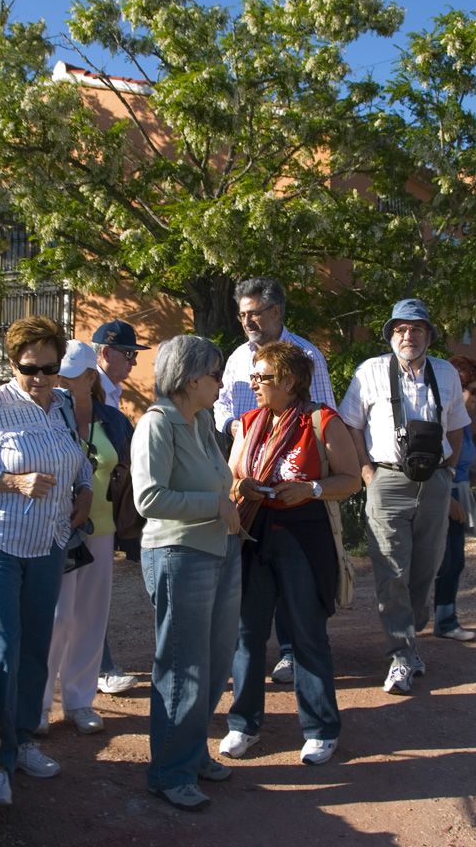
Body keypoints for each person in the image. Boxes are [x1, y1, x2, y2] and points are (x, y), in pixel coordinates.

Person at [0, 316, 94, 808]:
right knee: (0, 650)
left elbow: (76, 457)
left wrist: (85, 490)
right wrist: (12, 482)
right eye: (30, 369)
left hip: (49, 541)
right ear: (12, 365)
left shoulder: (63, 403)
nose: (40, 378)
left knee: (34, 647)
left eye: (49, 368)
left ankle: (23, 738)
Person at [220, 342, 360, 767]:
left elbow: (350, 479)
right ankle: (243, 725)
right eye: (253, 376)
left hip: (304, 536)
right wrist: (241, 487)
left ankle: (320, 730)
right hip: (255, 534)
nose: (253, 384)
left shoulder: (322, 421)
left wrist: (311, 489)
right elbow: (231, 476)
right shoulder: (249, 422)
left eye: (262, 377)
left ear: (289, 380)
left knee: (306, 634)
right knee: (246, 634)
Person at [337, 299, 471, 695]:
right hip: (388, 479)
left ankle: (410, 631)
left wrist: (449, 473)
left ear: (429, 335)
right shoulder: (370, 371)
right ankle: (401, 653)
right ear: (390, 335)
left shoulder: (445, 373)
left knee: (426, 569)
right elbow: (350, 425)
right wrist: (366, 473)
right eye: (400, 329)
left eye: (415, 329)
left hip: (435, 482)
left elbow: (457, 428)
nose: (407, 335)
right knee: (392, 570)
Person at [131, 334, 242, 812]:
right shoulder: (157, 424)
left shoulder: (201, 423)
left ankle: (191, 754)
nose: (221, 384)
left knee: (214, 663)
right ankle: (169, 773)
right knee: (183, 666)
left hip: (219, 551)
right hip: (179, 555)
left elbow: (215, 481)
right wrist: (215, 505)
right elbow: (148, 498)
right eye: (216, 374)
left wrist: (232, 498)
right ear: (191, 378)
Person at [213, 277, 336, 685]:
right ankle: (249, 664)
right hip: (248, 478)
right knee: (253, 575)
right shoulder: (237, 358)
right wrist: (236, 428)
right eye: (242, 314)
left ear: (277, 311)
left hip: (294, 483)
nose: (247, 321)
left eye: (254, 313)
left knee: (295, 576)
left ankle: (290, 651)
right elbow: (223, 405)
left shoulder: (307, 355)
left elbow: (323, 412)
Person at [39, 340, 136, 736]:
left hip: (102, 530)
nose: (59, 383)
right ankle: (39, 704)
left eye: (69, 377)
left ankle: (79, 702)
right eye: (58, 376)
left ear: (90, 378)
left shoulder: (113, 420)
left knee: (91, 617)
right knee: (57, 617)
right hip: (57, 529)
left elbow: (127, 470)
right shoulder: (45, 417)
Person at [92, 318, 150, 695]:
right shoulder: (92, 391)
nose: (133, 362)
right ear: (105, 352)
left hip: (105, 507)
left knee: (92, 592)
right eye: (128, 354)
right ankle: (100, 668)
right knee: (86, 593)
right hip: (86, 507)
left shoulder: (111, 392)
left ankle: (96, 665)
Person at [435, 355, 476, 642]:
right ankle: (439, 622)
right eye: (475, 391)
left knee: (452, 562)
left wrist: (474, 475)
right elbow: (437, 465)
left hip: (457, 492)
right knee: (444, 562)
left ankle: (444, 620)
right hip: (444, 496)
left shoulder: (462, 422)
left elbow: (459, 461)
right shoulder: (443, 422)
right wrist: (447, 498)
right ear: (458, 390)